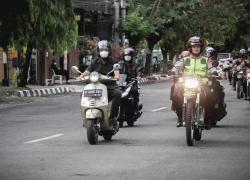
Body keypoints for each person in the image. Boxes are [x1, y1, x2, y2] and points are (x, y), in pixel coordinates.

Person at [171, 36, 213, 129]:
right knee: (175, 95)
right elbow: (177, 67)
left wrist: (215, 72)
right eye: (194, 46)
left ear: (201, 47)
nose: (196, 48)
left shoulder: (206, 59)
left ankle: (207, 120)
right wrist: (174, 72)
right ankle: (180, 118)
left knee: (210, 96)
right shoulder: (185, 59)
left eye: (198, 46)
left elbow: (212, 67)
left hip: (202, 83)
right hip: (186, 83)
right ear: (190, 48)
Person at [77, 40, 121, 127]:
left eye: (105, 49)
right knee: (83, 93)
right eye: (101, 50)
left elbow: (116, 73)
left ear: (109, 51)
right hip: (95, 86)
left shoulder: (113, 62)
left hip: (109, 86)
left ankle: (112, 117)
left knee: (118, 94)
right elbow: (87, 71)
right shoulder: (94, 61)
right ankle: (85, 116)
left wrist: (115, 77)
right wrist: (81, 76)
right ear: (98, 51)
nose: (103, 51)